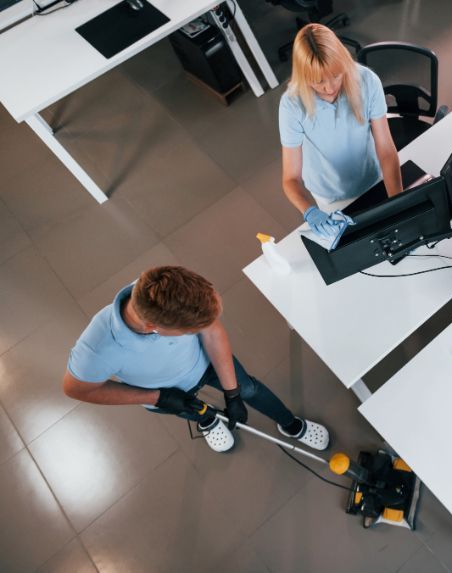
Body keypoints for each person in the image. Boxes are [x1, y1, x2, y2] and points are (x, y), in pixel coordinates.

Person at [62, 266, 329, 453]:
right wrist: (155, 398)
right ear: (154, 326)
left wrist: (233, 394)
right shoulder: (96, 349)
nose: (198, 330)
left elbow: (212, 334)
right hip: (164, 391)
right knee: (192, 409)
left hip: (204, 363)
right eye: (189, 331)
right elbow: (76, 389)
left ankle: (290, 424)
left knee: (248, 388)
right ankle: (208, 421)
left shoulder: (163, 287)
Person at [279, 23, 403, 239]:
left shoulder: (366, 80)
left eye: (336, 75)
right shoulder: (291, 105)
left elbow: (385, 149)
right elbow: (290, 178)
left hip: (372, 179)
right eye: (318, 82)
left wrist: (398, 203)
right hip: (329, 197)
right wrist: (310, 211)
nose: (329, 88)